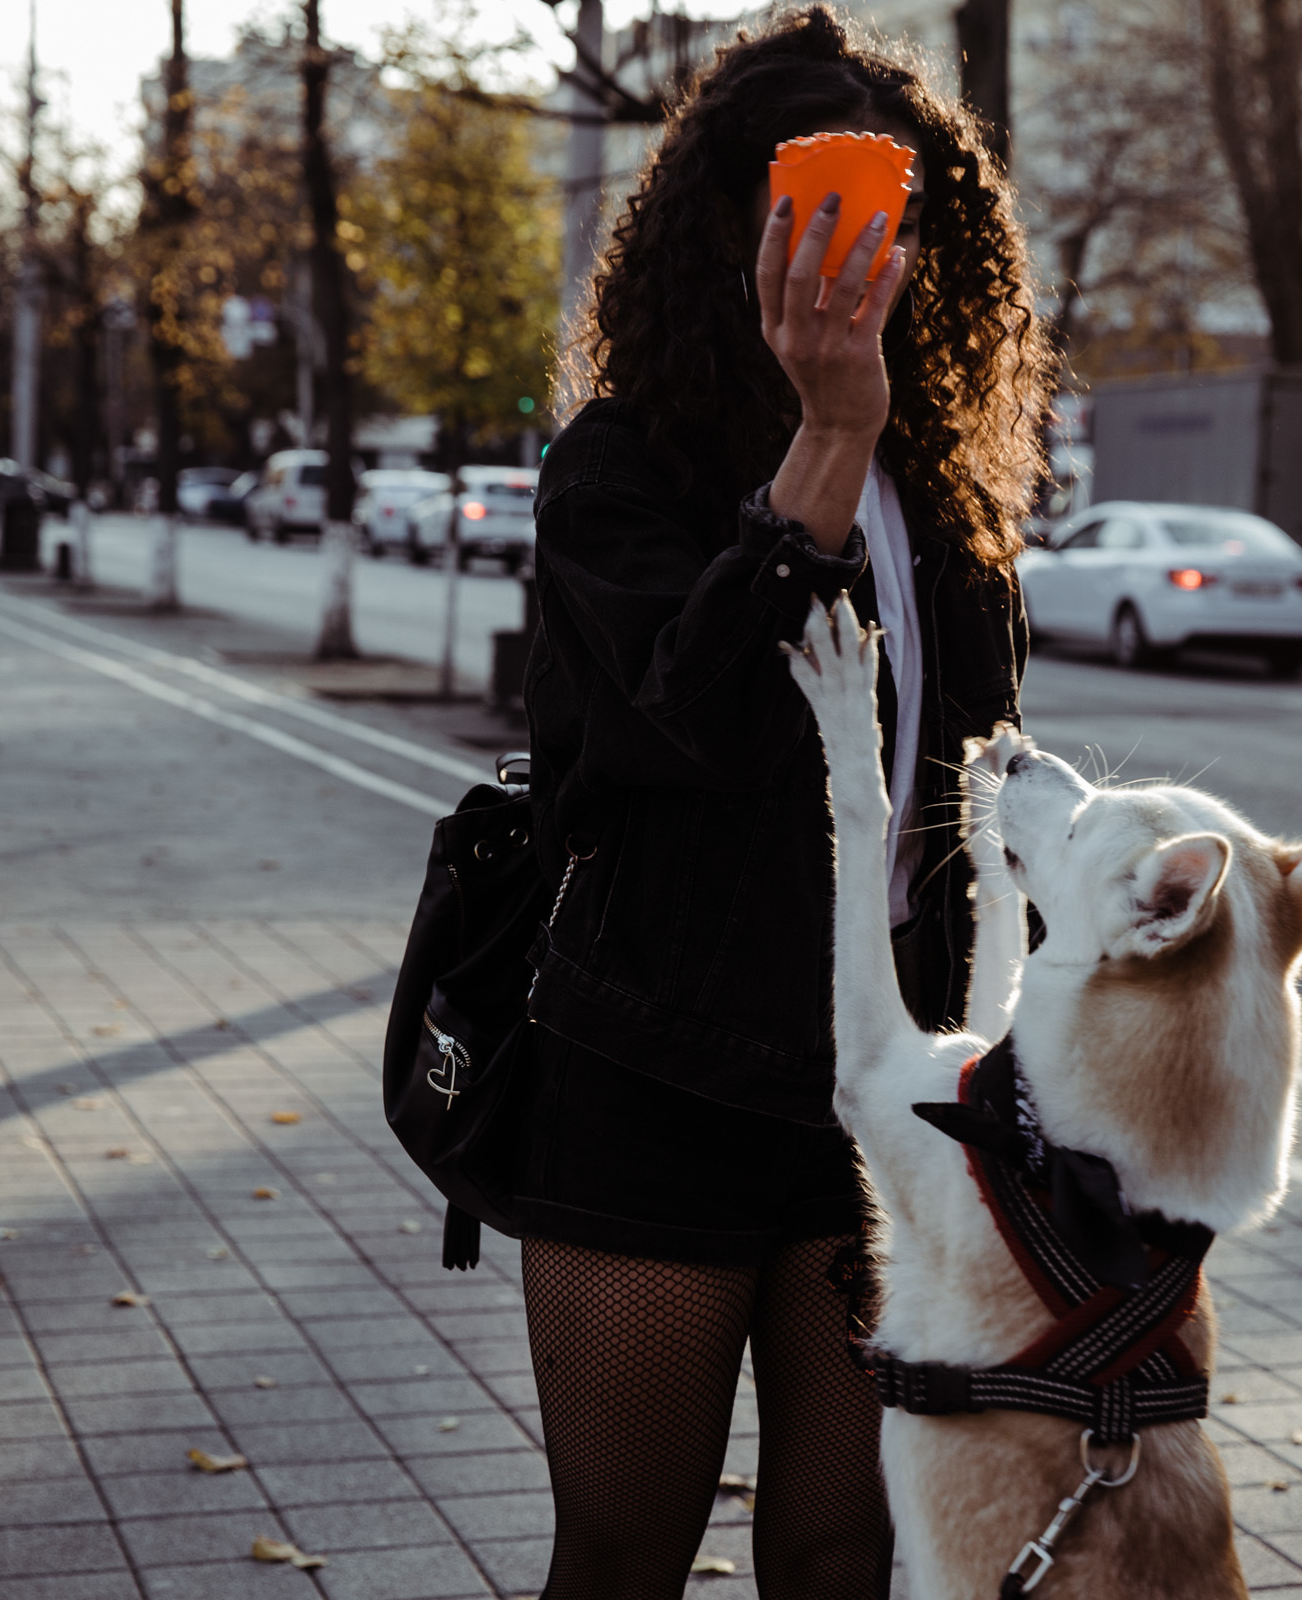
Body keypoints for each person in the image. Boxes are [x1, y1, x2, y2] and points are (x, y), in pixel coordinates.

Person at [504, 10, 1052, 1597]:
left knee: (841, 1545)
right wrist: (822, 435)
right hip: (654, 1085)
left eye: (882, 221)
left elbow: (968, 801)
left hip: (876, 1110)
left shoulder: (939, 496)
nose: (844, 261)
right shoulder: (624, 469)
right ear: (723, 232)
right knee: (624, 1551)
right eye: (801, 216)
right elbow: (686, 732)